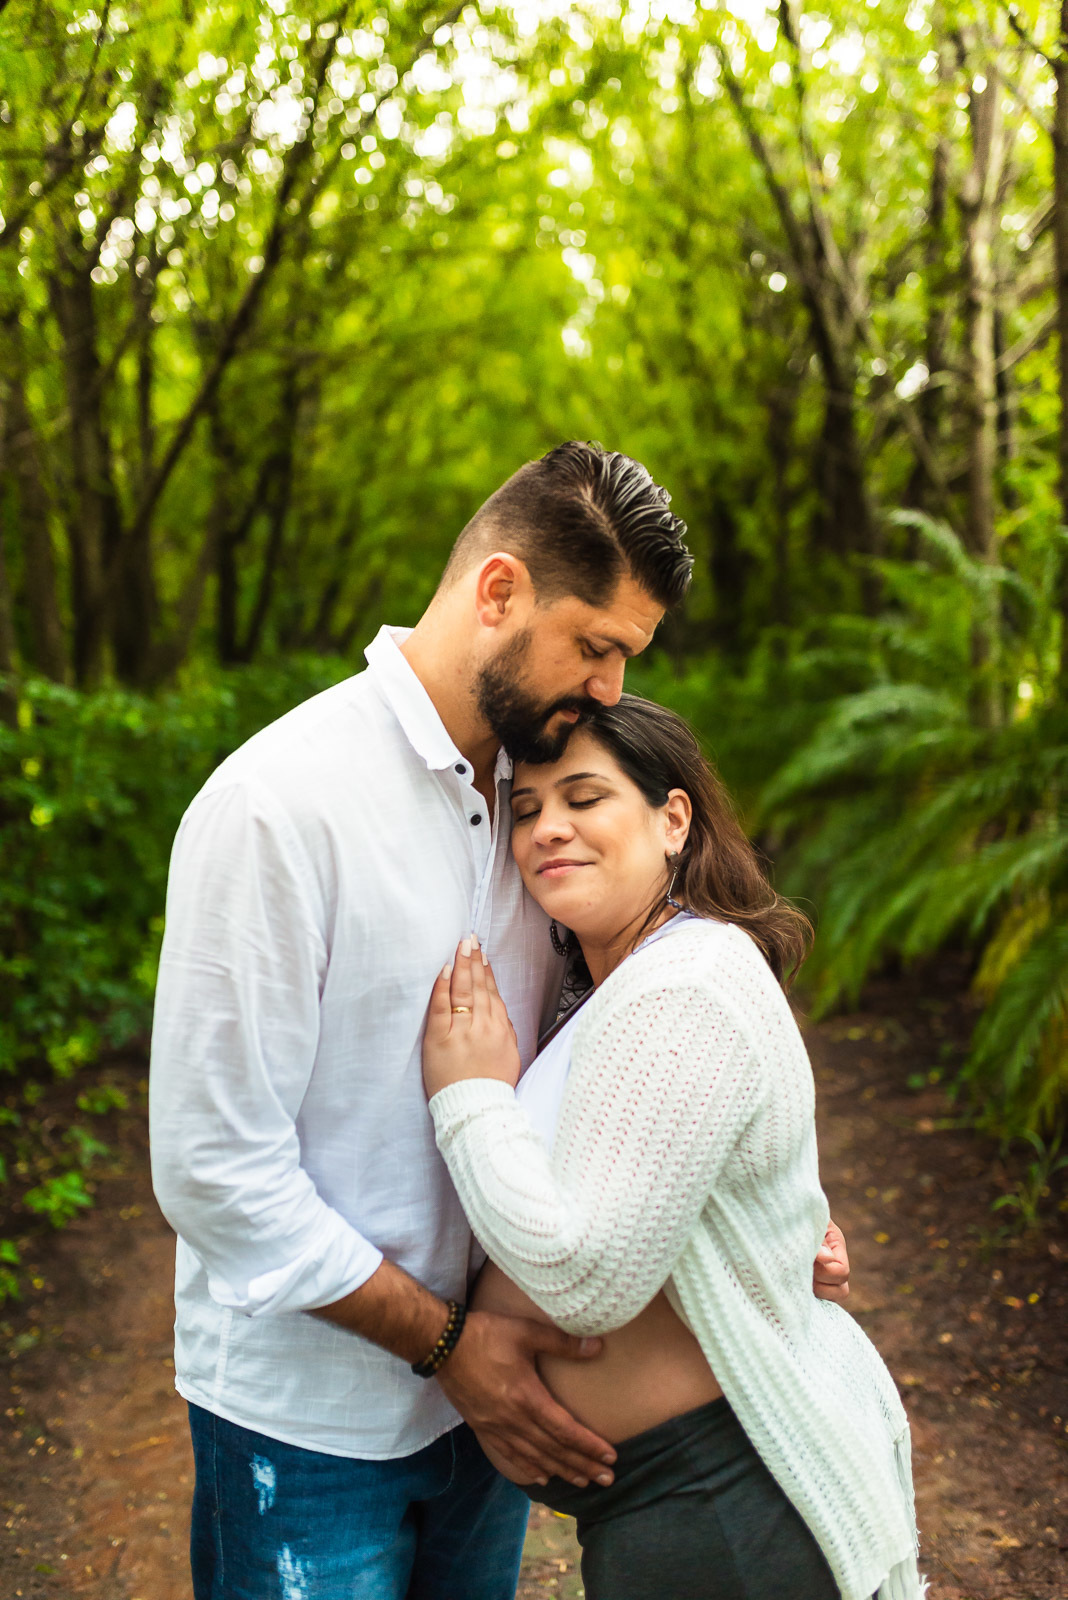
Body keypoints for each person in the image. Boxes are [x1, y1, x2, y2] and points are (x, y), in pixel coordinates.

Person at [149, 441, 851, 1600]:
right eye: (599, 647)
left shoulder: (540, 814)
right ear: (498, 592)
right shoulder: (278, 807)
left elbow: (627, 1064)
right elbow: (215, 1169)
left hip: (494, 1419)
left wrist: (756, 1227)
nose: (614, 690)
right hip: (309, 1426)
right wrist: (443, 1344)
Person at [423, 695, 923, 1600]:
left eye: (584, 797)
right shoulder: (629, 981)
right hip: (684, 1497)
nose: (547, 829)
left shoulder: (685, 982)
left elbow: (588, 1280)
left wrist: (466, 1097)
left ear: (673, 818)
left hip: (722, 1498)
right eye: (526, 808)